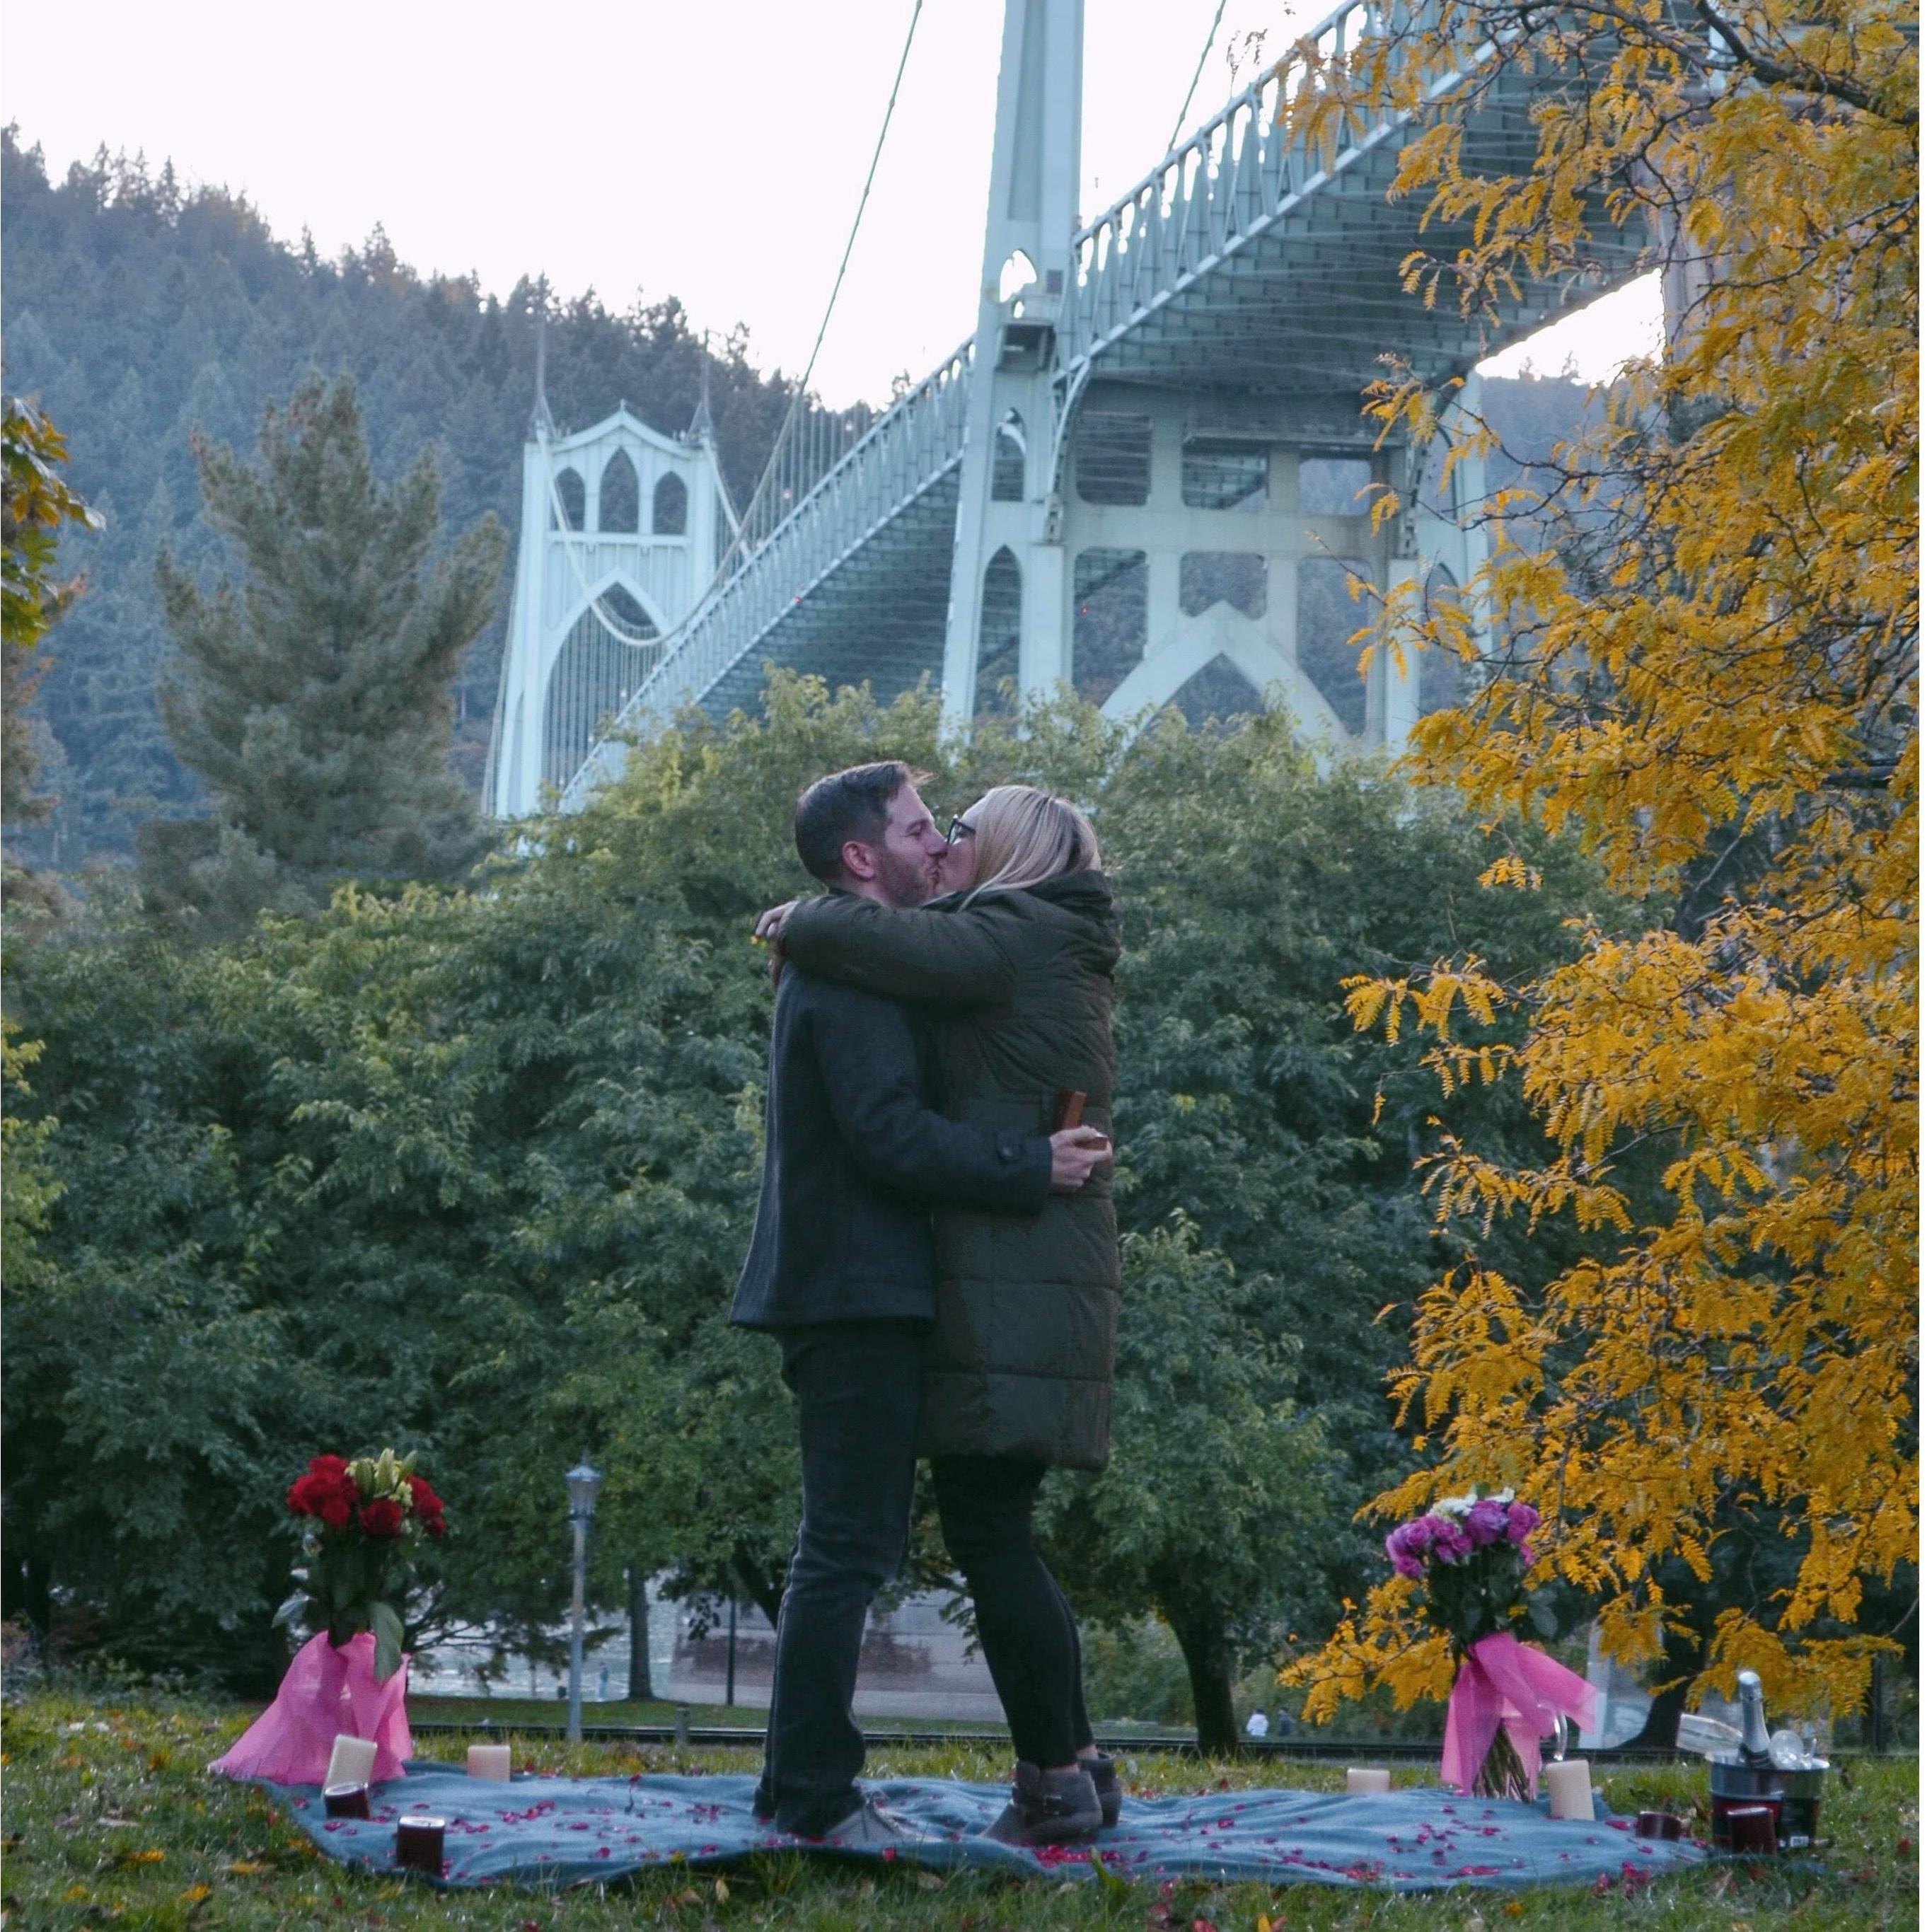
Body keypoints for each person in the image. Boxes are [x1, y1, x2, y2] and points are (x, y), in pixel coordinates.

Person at [732, 762, 1111, 1846]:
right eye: (917, 828)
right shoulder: (851, 967)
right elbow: (889, 1137)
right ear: (864, 858)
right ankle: (811, 1797)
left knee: (848, 1545)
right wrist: (1028, 1164)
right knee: (845, 1548)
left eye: (951, 828)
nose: (938, 844)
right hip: (854, 1288)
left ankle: (810, 1787)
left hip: (867, 1285)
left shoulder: (874, 958)